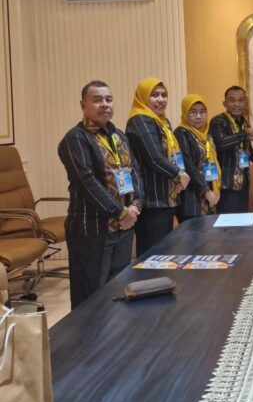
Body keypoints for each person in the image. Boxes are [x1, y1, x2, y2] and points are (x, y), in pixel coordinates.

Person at [58, 80, 143, 308]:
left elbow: (135, 172)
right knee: (91, 297)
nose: (104, 104)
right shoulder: (76, 138)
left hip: (124, 229)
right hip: (92, 230)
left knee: (118, 289)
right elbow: (87, 182)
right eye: (97, 100)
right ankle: (88, 334)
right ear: (83, 105)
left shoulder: (119, 136)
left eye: (108, 99)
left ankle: (114, 331)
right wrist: (121, 212)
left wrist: (135, 206)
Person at [126, 78, 190, 256]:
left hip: (165, 197)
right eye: (154, 95)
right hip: (152, 200)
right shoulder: (140, 120)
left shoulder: (162, 121)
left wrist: (179, 175)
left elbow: (171, 155)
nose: (160, 99)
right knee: (152, 255)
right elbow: (154, 158)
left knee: (163, 253)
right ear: (142, 97)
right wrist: (180, 174)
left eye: (164, 95)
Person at [209, 86, 253, 213]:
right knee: (228, 222)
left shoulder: (244, 123)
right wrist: (244, 134)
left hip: (244, 184)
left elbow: (249, 152)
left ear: (245, 103)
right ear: (224, 103)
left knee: (243, 221)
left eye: (241, 100)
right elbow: (222, 143)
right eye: (232, 100)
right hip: (227, 185)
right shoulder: (218, 121)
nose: (237, 104)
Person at [175, 94, 221, 221]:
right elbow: (189, 165)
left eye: (202, 112)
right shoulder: (181, 133)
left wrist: (216, 188)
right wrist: (206, 190)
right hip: (192, 198)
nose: (198, 116)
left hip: (209, 195)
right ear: (185, 113)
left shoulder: (206, 135)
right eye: (193, 112)